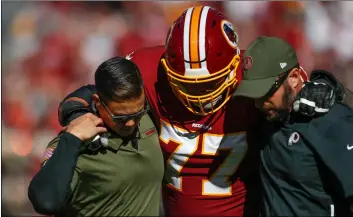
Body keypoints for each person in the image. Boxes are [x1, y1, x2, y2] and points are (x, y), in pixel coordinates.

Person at [55, 6, 346, 217]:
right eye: (188, 85)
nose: (200, 96)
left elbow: (298, 85)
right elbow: (83, 97)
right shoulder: (147, 69)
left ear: (236, 65)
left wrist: (323, 87)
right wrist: (75, 116)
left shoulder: (254, 83)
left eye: (210, 84)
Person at [28, 57, 164, 216]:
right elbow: (46, 201)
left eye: (138, 113)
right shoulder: (74, 143)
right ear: (97, 102)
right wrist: (72, 139)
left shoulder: (149, 119)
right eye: (120, 117)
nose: (131, 123)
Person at [233, 36, 353, 216]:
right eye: (254, 94)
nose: (259, 103)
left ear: (294, 78)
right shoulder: (264, 118)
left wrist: (336, 92)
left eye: (265, 92)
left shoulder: (331, 121)